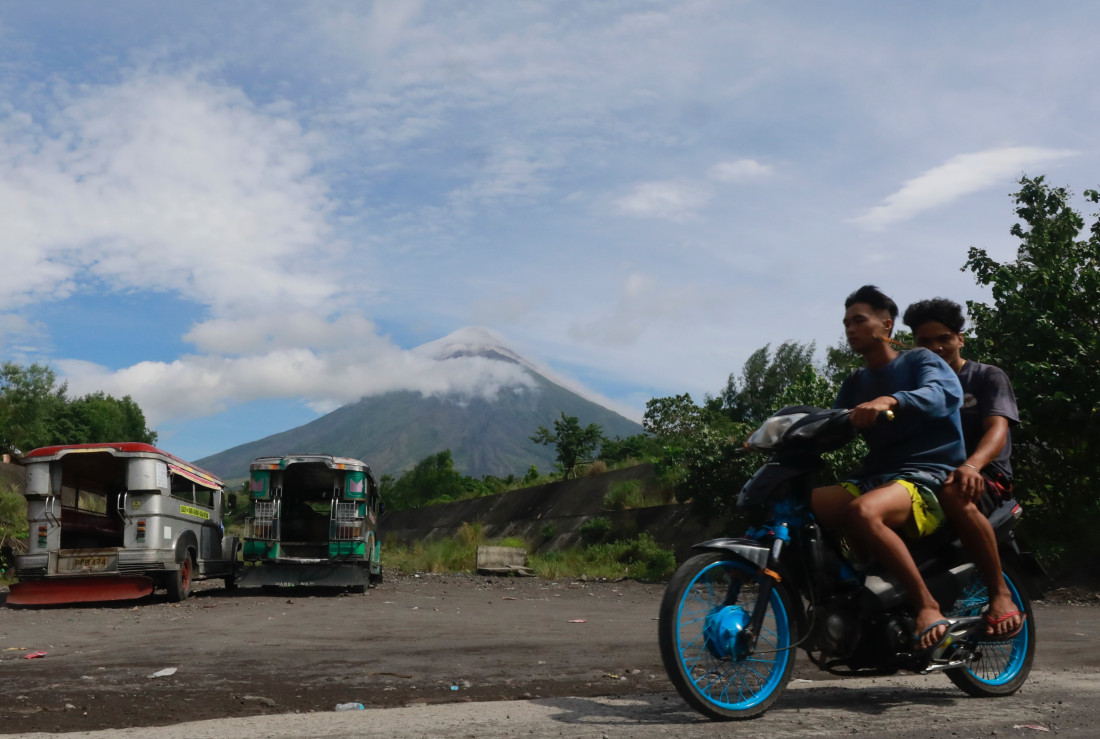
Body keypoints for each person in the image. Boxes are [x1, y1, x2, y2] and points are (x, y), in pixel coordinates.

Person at [812, 285, 966, 653]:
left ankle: (927, 605)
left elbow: (945, 394)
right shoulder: (855, 382)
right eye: (846, 322)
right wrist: (781, 433)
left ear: (886, 325)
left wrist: (891, 399)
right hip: (875, 477)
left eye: (859, 320)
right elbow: (833, 427)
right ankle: (851, 590)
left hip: (925, 474)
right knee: (801, 504)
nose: (850, 328)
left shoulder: (919, 361)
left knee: (862, 512)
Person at [903, 297, 1025, 640]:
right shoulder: (915, 386)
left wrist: (972, 465)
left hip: (984, 477)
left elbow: (997, 429)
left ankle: (999, 593)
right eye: (924, 342)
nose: (935, 347)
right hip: (930, 475)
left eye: (943, 338)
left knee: (955, 492)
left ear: (960, 338)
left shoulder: (986, 376)